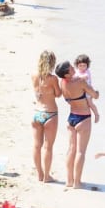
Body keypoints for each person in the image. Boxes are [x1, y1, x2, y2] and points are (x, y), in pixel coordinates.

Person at [58, 59, 98, 190]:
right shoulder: (80, 82)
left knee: (71, 149)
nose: (72, 68)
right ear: (67, 74)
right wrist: (97, 92)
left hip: (71, 118)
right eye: (70, 68)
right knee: (80, 152)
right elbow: (94, 95)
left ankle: (69, 180)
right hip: (83, 118)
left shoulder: (62, 82)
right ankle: (77, 182)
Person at [31, 49, 60, 184]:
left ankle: (39, 174)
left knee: (37, 146)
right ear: (52, 63)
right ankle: (47, 176)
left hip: (37, 113)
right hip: (50, 113)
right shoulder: (53, 78)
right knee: (48, 147)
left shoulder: (34, 75)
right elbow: (58, 94)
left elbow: (38, 92)